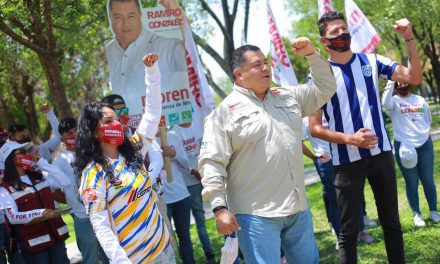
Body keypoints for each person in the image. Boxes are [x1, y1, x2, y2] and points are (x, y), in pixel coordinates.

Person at [199, 40, 337, 263]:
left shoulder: (287, 96)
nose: (265, 68)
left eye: (265, 62)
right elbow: (211, 163)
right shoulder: (223, 114)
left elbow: (326, 88)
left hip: (298, 208)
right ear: (239, 74)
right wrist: (219, 208)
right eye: (257, 65)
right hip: (256, 217)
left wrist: (312, 55)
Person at [308, 11, 422, 264]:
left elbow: (414, 77)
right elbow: (314, 128)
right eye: (334, 32)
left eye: (343, 29)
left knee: (391, 222)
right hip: (346, 162)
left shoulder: (372, 61)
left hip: (381, 154)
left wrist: (409, 39)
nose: (342, 35)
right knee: (348, 232)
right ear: (324, 41)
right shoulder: (319, 75)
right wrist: (350, 139)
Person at [76, 54, 175, 263]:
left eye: (117, 119)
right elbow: (100, 226)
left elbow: (153, 113)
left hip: (163, 251)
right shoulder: (92, 174)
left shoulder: (134, 150)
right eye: (108, 121)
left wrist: (152, 73)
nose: (117, 124)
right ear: (94, 132)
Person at [106, 0, 186, 128]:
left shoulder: (168, 46)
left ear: (140, 15)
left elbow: (191, 58)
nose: (126, 23)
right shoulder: (110, 50)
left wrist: (179, 15)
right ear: (110, 18)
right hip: (132, 139)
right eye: (118, 17)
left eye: (131, 16)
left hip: (168, 134)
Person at [302, 118, 374, 249]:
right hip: (325, 162)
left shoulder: (332, 107)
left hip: (344, 156)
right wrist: (315, 157)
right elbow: (299, 141)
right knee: (333, 200)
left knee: (353, 195)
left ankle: (361, 231)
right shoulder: (306, 117)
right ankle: (341, 238)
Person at [0, 141, 70, 264]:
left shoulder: (40, 175)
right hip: (34, 245)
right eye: (21, 152)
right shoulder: (5, 187)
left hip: (56, 236)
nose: (27, 154)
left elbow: (65, 181)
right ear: (10, 159)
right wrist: (41, 213)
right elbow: (13, 217)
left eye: (26, 151)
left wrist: (41, 162)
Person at [382, 80, 440, 227]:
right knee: (412, 182)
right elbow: (384, 103)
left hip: (424, 145)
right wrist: (391, 79)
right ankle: (417, 214)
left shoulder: (420, 99)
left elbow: (428, 118)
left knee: (428, 180)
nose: (402, 86)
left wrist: (424, 133)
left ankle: (434, 211)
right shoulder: (393, 101)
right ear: (395, 87)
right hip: (405, 147)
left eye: (405, 82)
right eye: (398, 84)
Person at [51, 118, 109, 264]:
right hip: (82, 216)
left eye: (76, 130)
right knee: (91, 259)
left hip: (104, 212)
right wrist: (72, 200)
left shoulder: (94, 151)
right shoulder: (60, 161)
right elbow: (53, 189)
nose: (74, 135)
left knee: (112, 255)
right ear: (62, 138)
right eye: (68, 133)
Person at [171, 123, 216, 264]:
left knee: (214, 213)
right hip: (187, 184)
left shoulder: (200, 124)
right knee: (193, 224)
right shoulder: (174, 133)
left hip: (206, 177)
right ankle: (208, 256)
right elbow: (180, 160)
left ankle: (218, 253)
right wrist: (192, 171)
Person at [156, 129, 195, 264]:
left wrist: (174, 154)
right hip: (161, 200)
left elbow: (186, 164)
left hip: (181, 195)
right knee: (165, 240)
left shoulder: (172, 136)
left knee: (184, 237)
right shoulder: (145, 141)